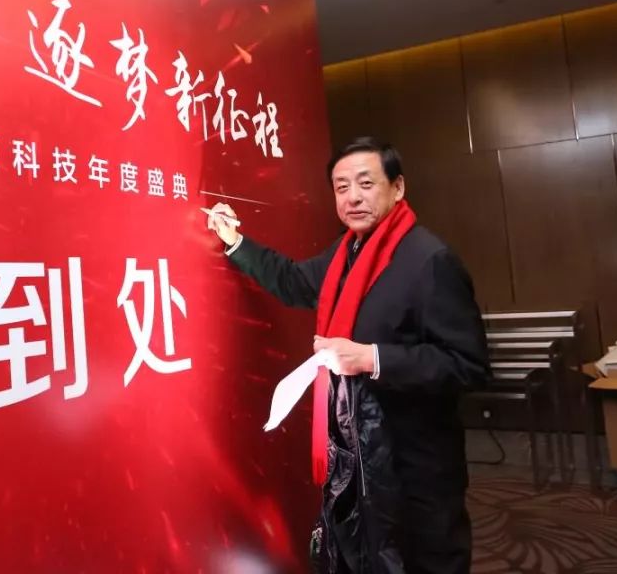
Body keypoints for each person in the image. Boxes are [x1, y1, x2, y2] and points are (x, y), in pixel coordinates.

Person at [205, 137, 489, 574]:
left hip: (416, 461)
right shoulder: (346, 253)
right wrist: (235, 241)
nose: (353, 197)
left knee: (426, 560)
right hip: (359, 460)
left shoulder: (429, 260)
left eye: (365, 183)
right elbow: (293, 281)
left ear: (397, 188)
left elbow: (468, 365)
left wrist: (373, 358)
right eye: (341, 187)